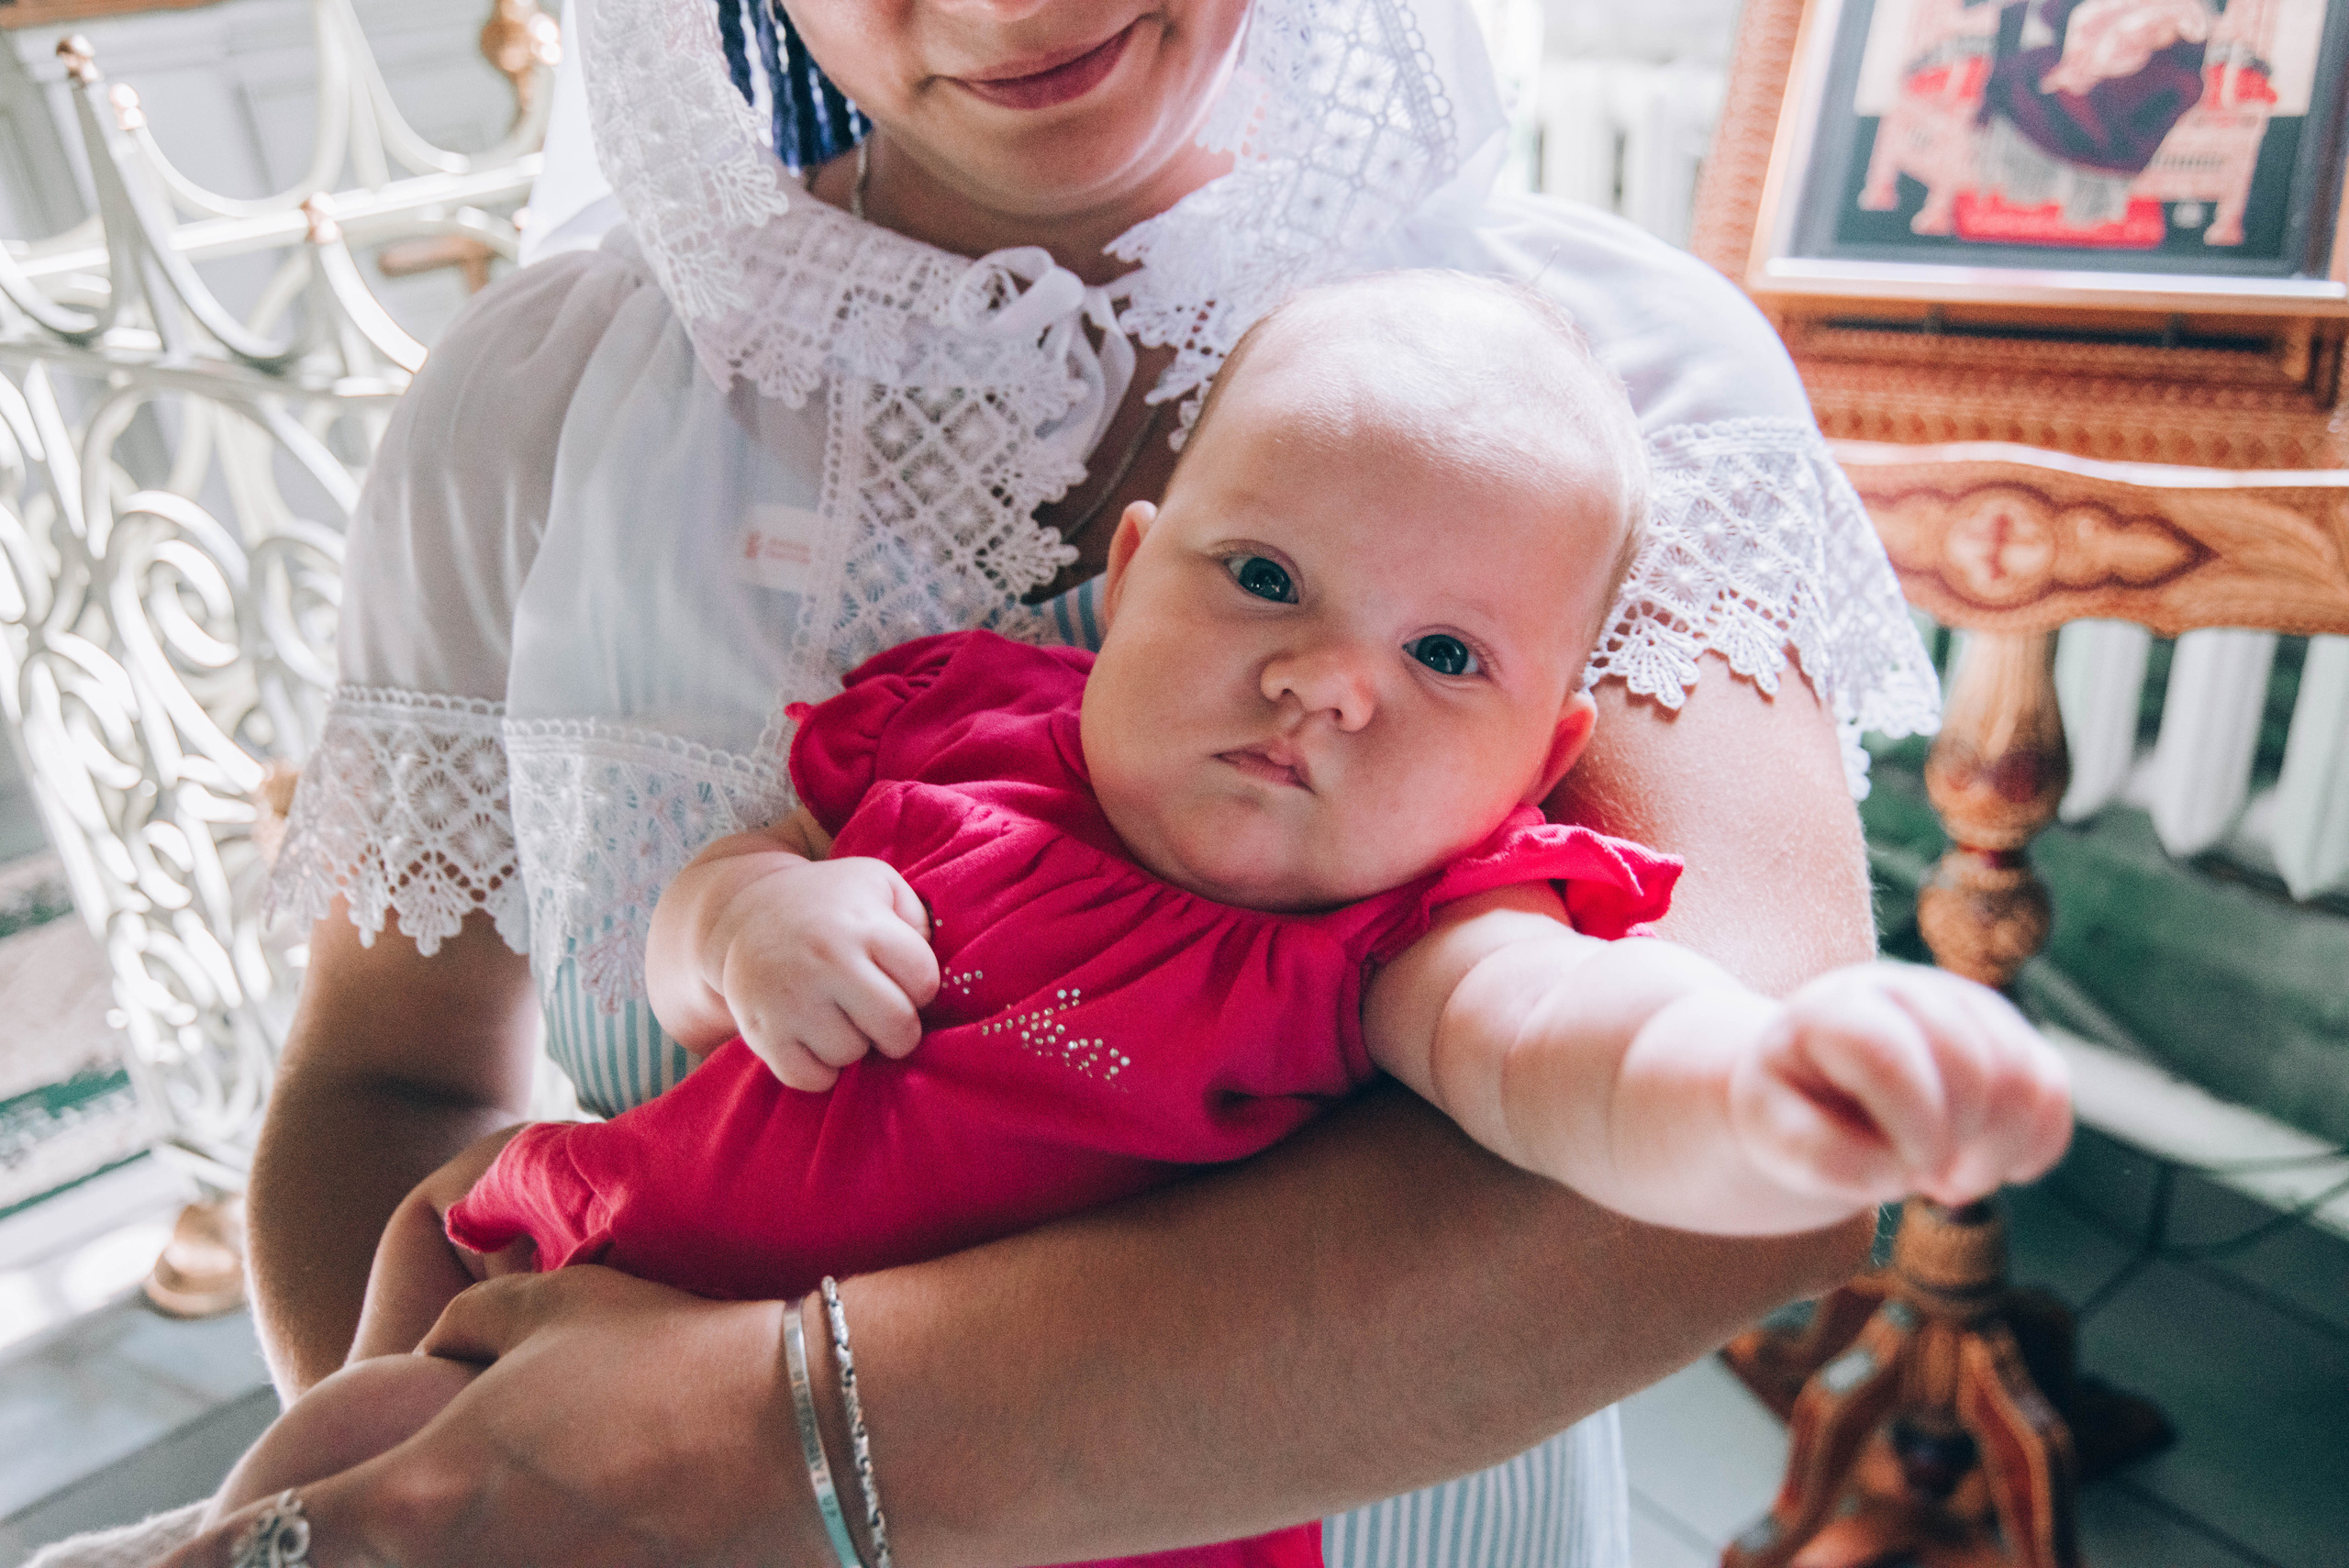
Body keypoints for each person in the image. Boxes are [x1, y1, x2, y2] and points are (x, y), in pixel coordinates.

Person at [26, 0, 1948, 1564]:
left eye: (1437, 659)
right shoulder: (535, 409)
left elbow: (1744, 1179)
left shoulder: (1597, 397)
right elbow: (390, 1081)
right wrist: (432, 1479)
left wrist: (767, 1444)